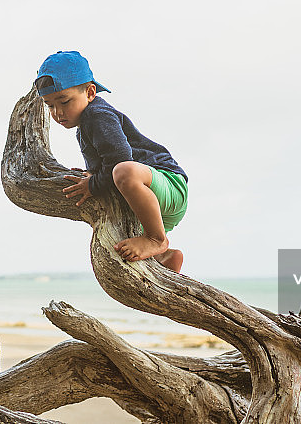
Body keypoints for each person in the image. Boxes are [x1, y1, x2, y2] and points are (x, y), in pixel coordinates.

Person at [34, 50, 188, 273]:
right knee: (115, 182)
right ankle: (165, 256)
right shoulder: (84, 127)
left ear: (90, 92)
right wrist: (91, 176)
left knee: (123, 171)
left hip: (169, 184)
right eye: (49, 105)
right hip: (150, 202)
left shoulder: (98, 115)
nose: (57, 112)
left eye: (64, 101)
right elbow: (105, 165)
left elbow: (120, 160)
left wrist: (94, 183)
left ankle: (156, 239)